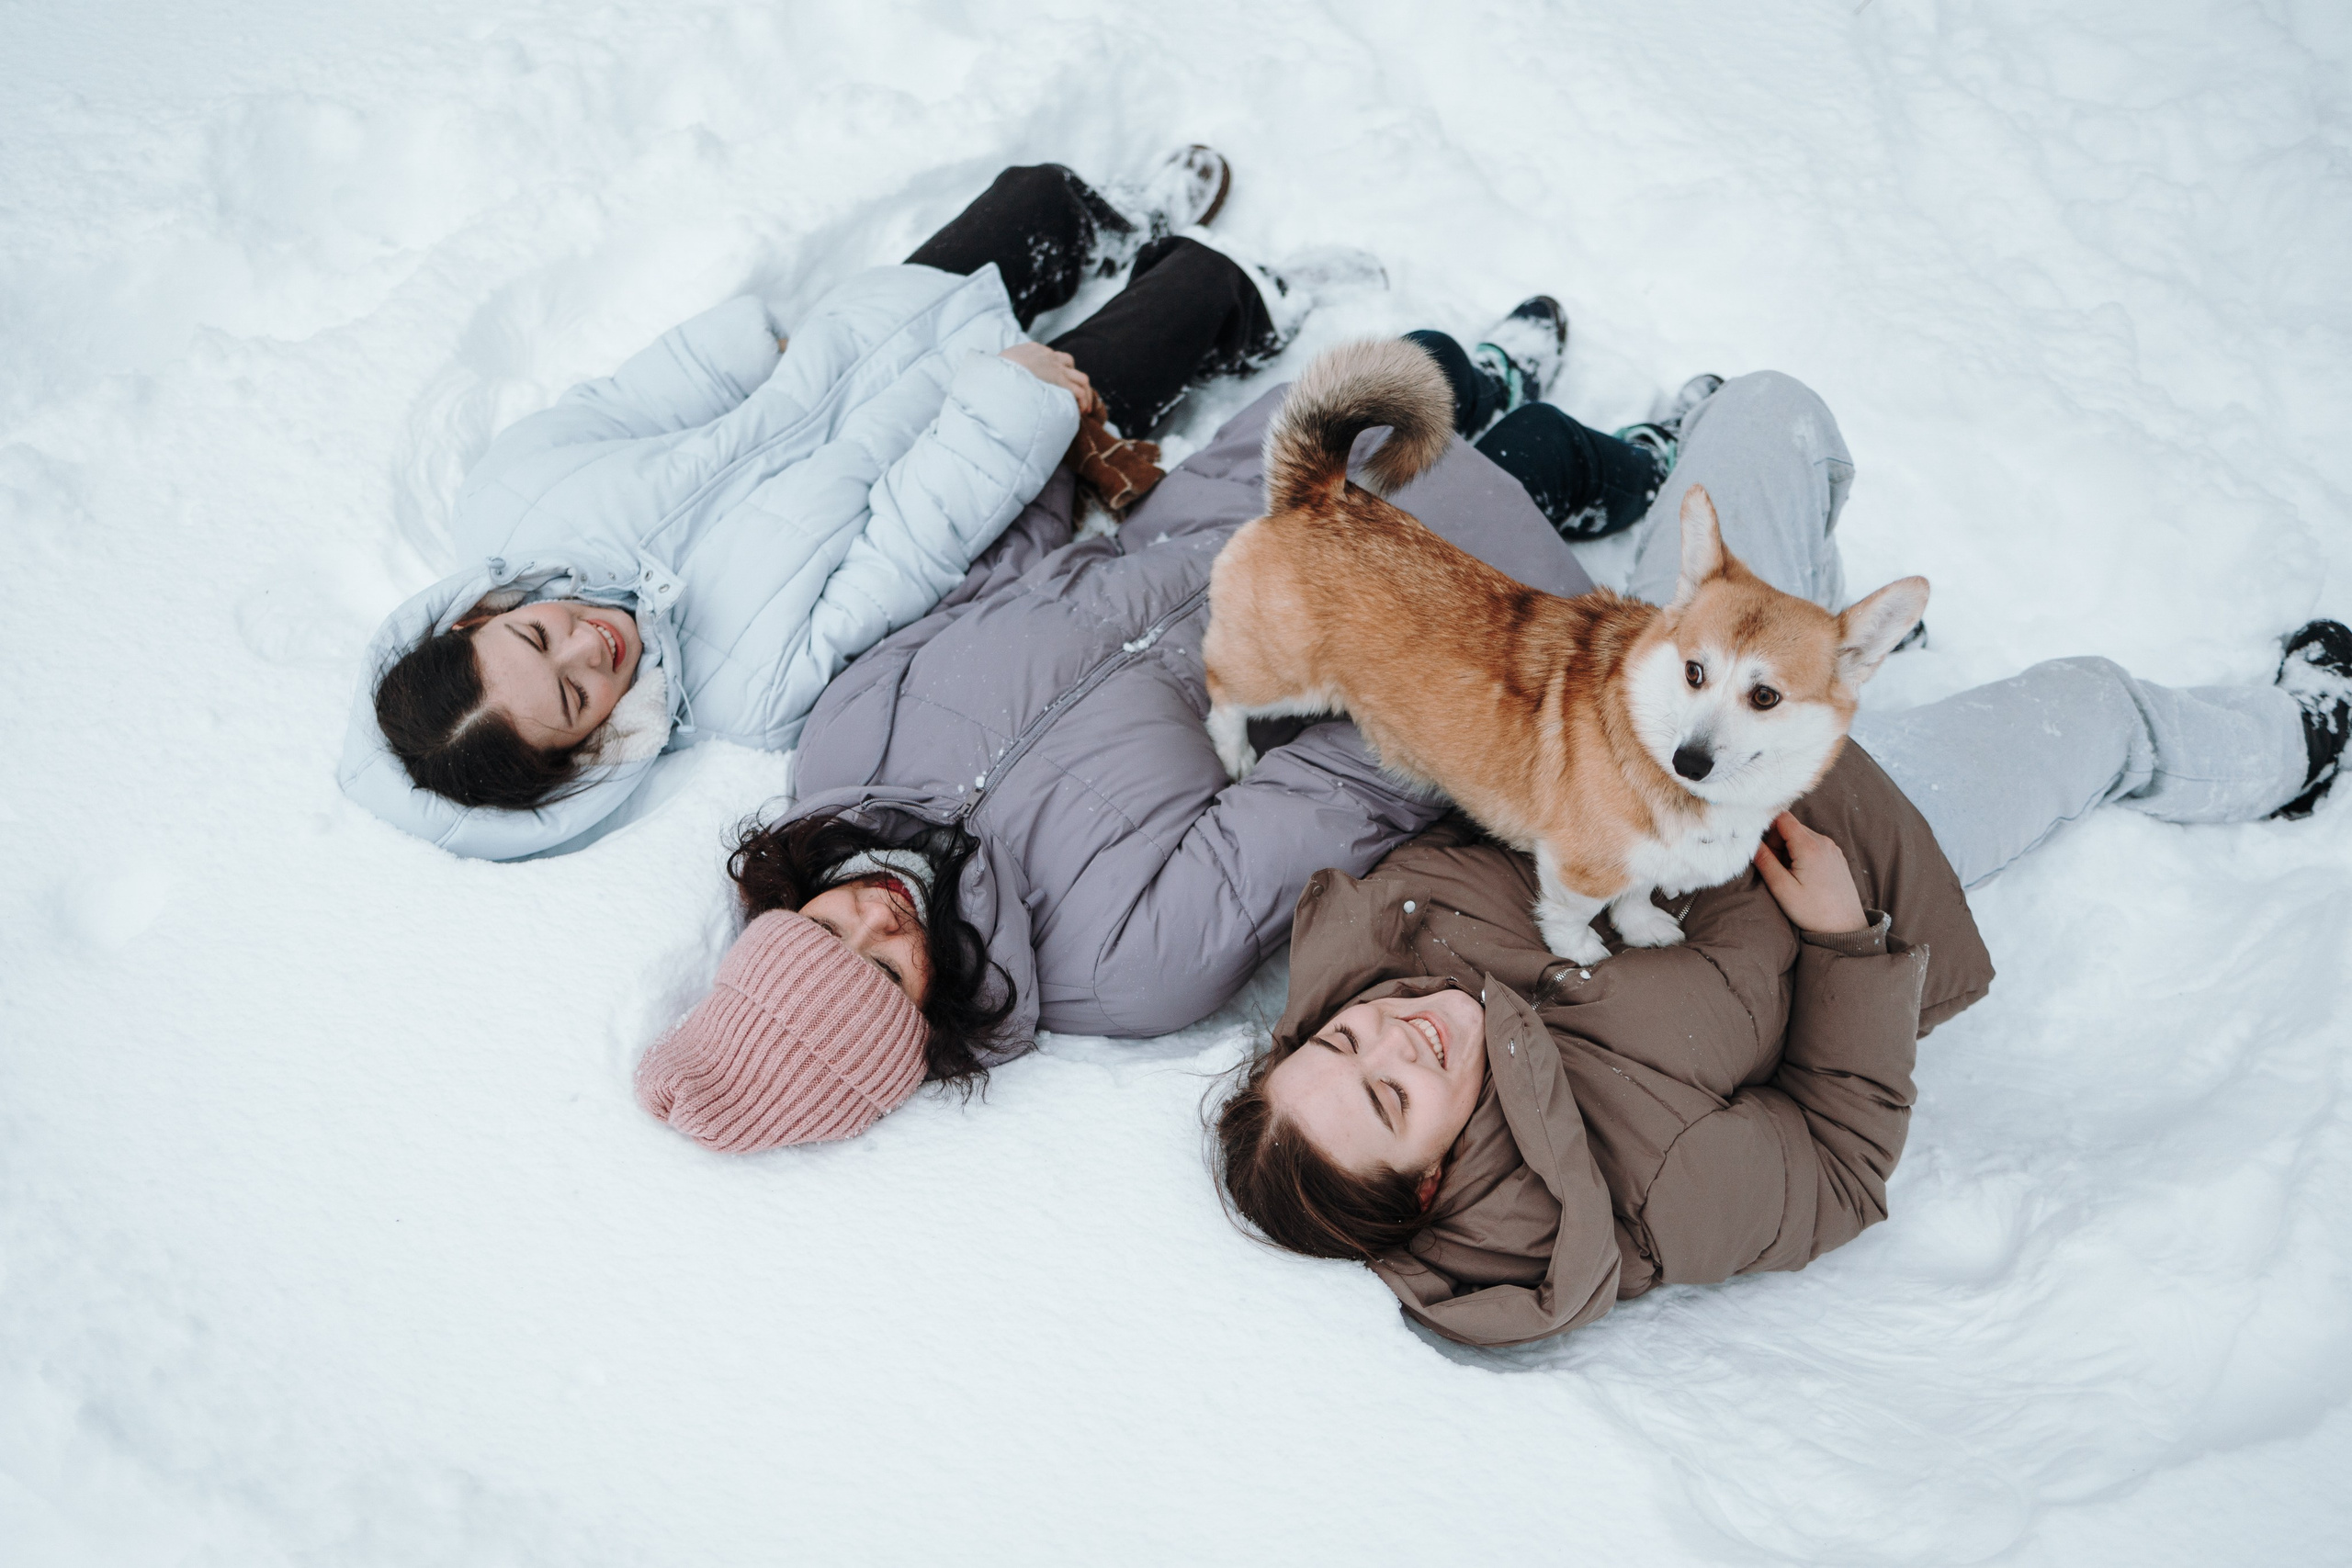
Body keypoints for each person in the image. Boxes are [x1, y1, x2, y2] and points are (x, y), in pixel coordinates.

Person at [1207, 375, 2352, 1348]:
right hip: (1863, 833)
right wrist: (1844, 943)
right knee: (2095, 709)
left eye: (1342, 1039)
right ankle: (2293, 742)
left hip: (1675, 679)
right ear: (1428, 1180)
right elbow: (1841, 1163)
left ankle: (1830, 662)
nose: (1393, 1030)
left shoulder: (1379, 931)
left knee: (1770, 412)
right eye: (1391, 1093)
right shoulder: (1644, 1187)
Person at [632, 299, 1714, 1148]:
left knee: (1412, 369)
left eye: (827, 929)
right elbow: (1345, 791)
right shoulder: (1122, 960)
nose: (874, 918)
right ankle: (1636, 458)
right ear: (925, 1022)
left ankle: (1485, 369)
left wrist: (1053, 473)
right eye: (882, 970)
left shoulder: (840, 753)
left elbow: (990, 588)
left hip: (1232, 499)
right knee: (1526, 464)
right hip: (1397, 604)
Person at [339, 148, 1338, 860]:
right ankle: (1247, 302)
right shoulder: (749, 690)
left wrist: (759, 361)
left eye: (536, 636)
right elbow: (905, 547)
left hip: (848, 346)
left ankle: (1107, 223)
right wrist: (1012, 399)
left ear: (481, 614)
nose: (585, 646)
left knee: (1034, 200)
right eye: (572, 696)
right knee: (1183, 302)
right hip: (973, 435)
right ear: (590, 748)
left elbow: (638, 398)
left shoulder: (514, 501)